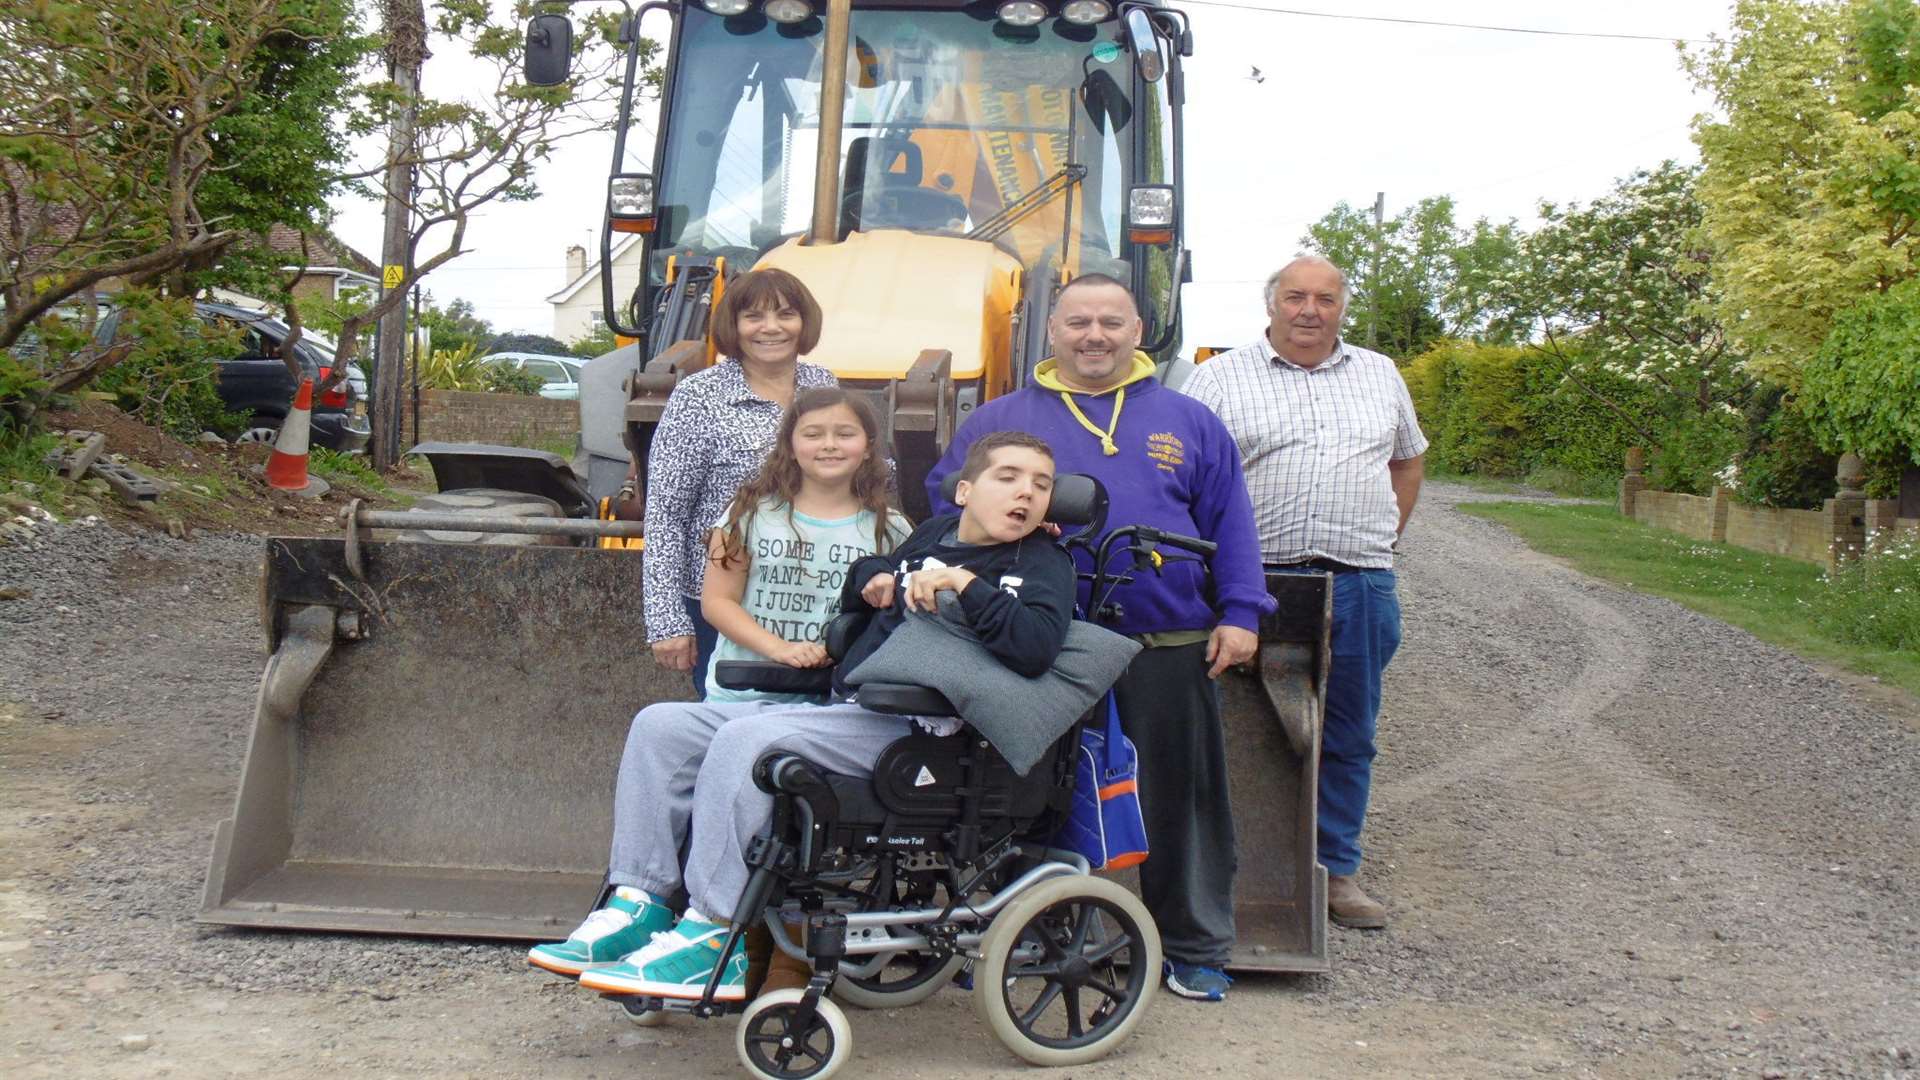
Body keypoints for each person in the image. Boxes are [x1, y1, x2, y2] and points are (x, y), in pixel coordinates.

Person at [531, 432, 1075, 1002]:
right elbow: (870, 576)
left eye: (1041, 485)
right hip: (852, 709)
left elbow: (1036, 647)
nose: (1027, 493)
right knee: (661, 726)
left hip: (919, 730)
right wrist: (871, 579)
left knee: (750, 741)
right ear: (965, 490)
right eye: (1008, 477)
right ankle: (638, 903)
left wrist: (966, 585)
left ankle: (713, 931)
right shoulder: (933, 534)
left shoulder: (1042, 562)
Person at [925, 275, 1272, 1003]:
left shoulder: (1190, 420)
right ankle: (1001, 939)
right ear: (1051, 331)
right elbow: (947, 506)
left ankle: (1194, 947)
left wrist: (1241, 614)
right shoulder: (998, 420)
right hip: (1031, 645)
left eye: (1110, 322)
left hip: (1165, 642)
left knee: (1181, 797)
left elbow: (1231, 521)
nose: (1095, 336)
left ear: (1138, 330)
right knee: (1015, 796)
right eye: (1079, 321)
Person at [1178, 255, 1426, 932]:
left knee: (1347, 730)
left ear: (1342, 306)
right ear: (1272, 304)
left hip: (1358, 581)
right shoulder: (1219, 378)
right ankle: (1225, 869)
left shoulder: (1380, 373)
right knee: (1231, 728)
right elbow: (1187, 478)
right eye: (1295, 297)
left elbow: (1407, 461)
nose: (1309, 310)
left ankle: (1335, 870)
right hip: (1251, 583)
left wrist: (1385, 536)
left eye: (1324, 298)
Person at [643, 268, 840, 695]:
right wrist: (666, 619)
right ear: (733, 327)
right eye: (754, 317)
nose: (771, 328)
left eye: (786, 314)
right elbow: (665, 513)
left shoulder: (823, 386)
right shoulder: (699, 397)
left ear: (804, 323)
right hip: (723, 601)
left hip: (809, 594)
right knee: (730, 720)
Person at [700, 387, 910, 704]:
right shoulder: (749, 513)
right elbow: (718, 602)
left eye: (844, 434)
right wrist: (780, 649)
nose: (829, 445)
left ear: (867, 448)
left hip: (833, 701)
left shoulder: (893, 529)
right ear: (791, 447)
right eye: (813, 434)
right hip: (741, 693)